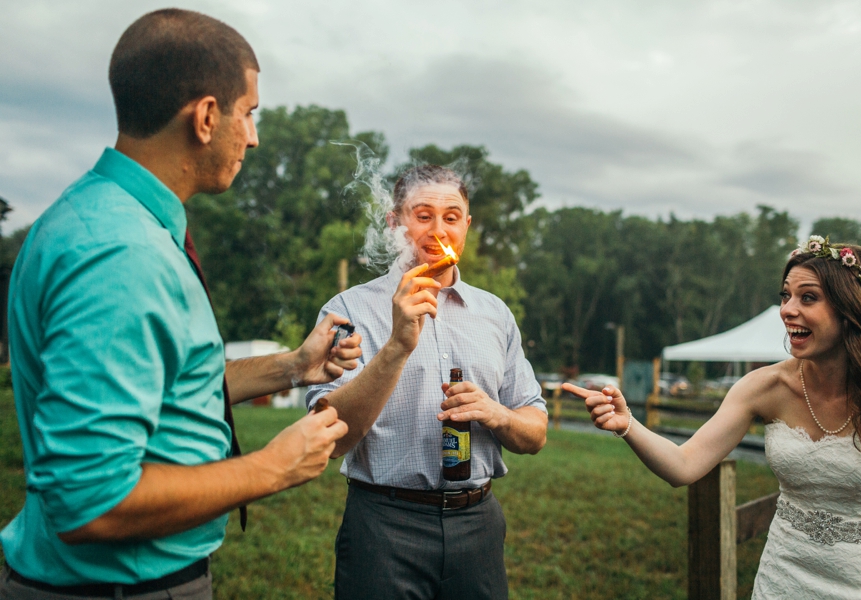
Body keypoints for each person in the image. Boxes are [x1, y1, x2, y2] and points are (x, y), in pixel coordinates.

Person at [0, 9, 360, 599]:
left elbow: (158, 384)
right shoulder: (120, 255)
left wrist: (292, 366)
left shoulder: (101, 214)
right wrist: (272, 467)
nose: (253, 135)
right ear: (207, 115)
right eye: (249, 114)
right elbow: (92, 502)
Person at [564, 235, 861, 599]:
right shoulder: (764, 386)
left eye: (808, 297)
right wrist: (627, 424)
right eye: (785, 296)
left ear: (850, 310)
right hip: (783, 582)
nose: (787, 310)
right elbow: (684, 465)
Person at [307, 164, 548, 599]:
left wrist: (497, 414)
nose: (439, 229)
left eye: (452, 217)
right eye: (423, 215)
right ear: (395, 222)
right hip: (384, 526)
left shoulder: (495, 314)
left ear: (467, 225)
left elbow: (535, 434)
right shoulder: (349, 310)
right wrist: (398, 344)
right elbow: (330, 438)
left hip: (478, 526)